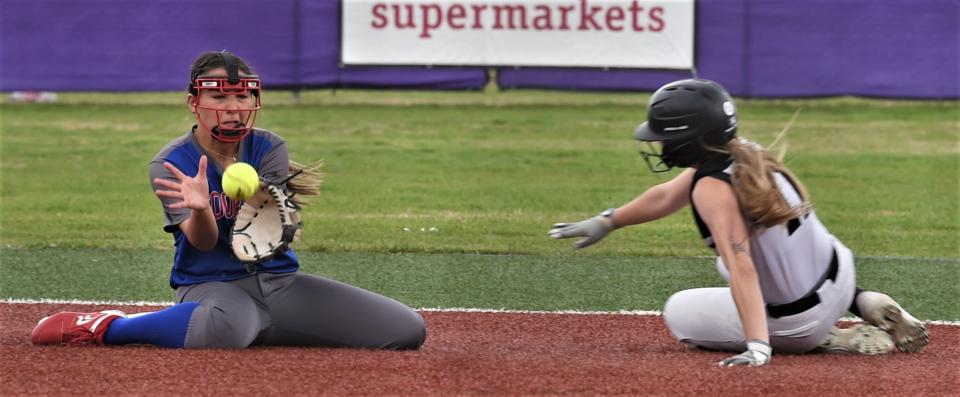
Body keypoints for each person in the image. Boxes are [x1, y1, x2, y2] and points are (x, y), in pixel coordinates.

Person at [31, 50, 426, 350]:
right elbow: (202, 243)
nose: (234, 109)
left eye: (242, 98)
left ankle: (264, 324)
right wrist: (201, 209)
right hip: (211, 286)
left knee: (405, 330)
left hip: (280, 284)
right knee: (226, 331)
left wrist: (276, 214)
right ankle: (109, 326)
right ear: (194, 104)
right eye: (220, 99)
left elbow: (271, 236)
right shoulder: (171, 163)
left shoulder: (269, 147)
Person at [549, 78, 928, 366]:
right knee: (776, 251)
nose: (660, 144)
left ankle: (833, 338)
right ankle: (864, 302)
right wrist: (608, 220)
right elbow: (667, 195)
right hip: (841, 276)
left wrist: (758, 347)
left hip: (801, 321)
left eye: (665, 136)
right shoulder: (747, 152)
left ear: (688, 139)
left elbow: (742, 269)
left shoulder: (711, 189)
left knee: (679, 310)